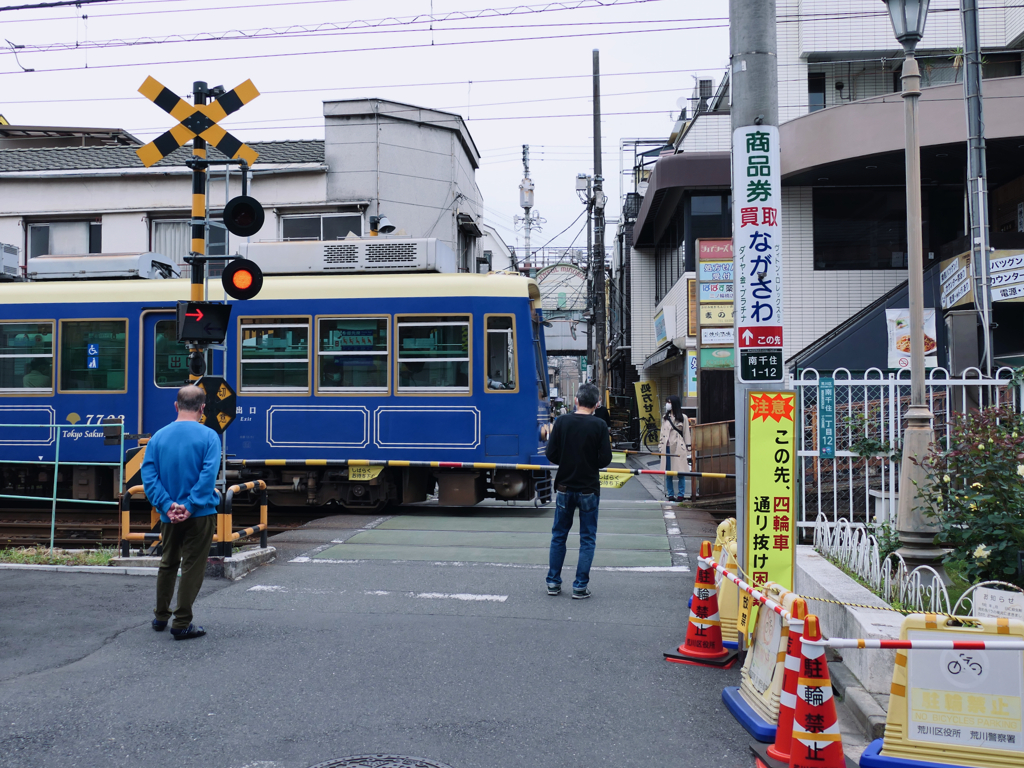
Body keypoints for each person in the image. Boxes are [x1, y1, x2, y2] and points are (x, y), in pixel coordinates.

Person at [141, 385, 222, 640]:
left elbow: (149, 475)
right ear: (203, 408)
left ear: (176, 406)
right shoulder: (209, 437)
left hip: (169, 515)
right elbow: (208, 475)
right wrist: (191, 505)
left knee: (168, 563)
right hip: (200, 514)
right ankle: (182, 622)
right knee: (192, 567)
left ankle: (160, 616)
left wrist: (167, 505)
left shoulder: (158, 437)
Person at [544, 382, 613, 599]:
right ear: (596, 404)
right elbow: (605, 460)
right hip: (589, 490)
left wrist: (564, 460)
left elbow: (550, 454)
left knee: (559, 536)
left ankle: (553, 583)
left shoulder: (562, 422)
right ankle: (580, 586)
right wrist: (591, 462)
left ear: (576, 401)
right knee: (587, 538)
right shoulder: (599, 425)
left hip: (564, 487)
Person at [658, 395, 691, 503]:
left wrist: (688, 448)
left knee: (680, 472)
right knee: (668, 473)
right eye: (667, 402)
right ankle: (670, 494)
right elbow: (662, 433)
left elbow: (686, 433)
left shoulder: (683, 417)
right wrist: (660, 445)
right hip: (667, 447)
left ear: (674, 404)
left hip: (678, 448)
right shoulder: (665, 417)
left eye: (669, 402)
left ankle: (681, 495)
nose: (667, 404)